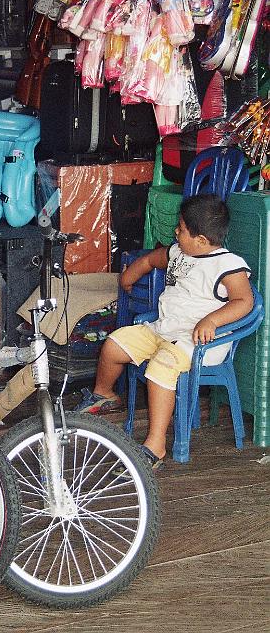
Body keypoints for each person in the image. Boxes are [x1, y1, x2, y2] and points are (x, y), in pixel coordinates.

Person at [76, 194, 253, 470]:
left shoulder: (228, 265)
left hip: (197, 342)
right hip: (162, 330)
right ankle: (104, 394)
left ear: (202, 240)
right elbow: (150, 260)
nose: (175, 232)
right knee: (114, 344)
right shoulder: (179, 252)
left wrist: (212, 320)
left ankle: (155, 445)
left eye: (181, 229)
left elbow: (244, 301)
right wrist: (127, 277)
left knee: (160, 369)